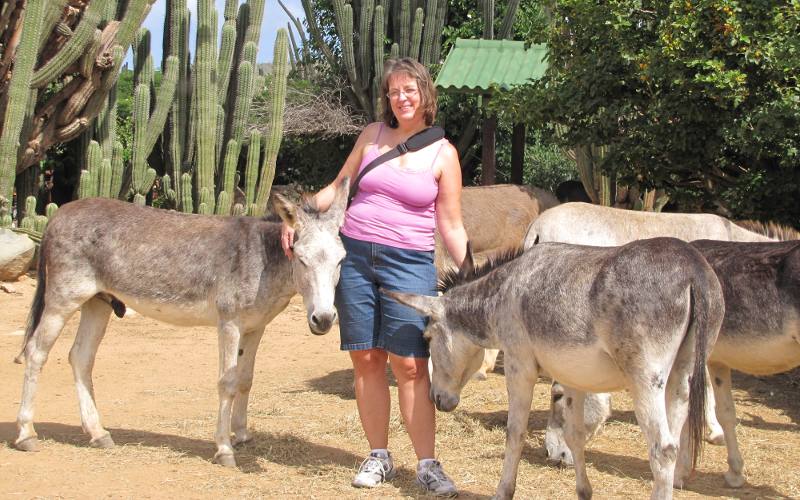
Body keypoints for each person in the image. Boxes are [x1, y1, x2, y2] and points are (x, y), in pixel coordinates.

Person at [280, 58, 467, 497]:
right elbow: (336, 189)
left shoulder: (444, 154)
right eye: (394, 91)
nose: (401, 98)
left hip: (410, 264)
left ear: (425, 95)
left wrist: (474, 272)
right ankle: (378, 455)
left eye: (410, 90)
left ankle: (426, 464)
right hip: (357, 258)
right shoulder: (372, 137)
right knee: (366, 359)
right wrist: (298, 219)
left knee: (411, 365)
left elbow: (452, 224)